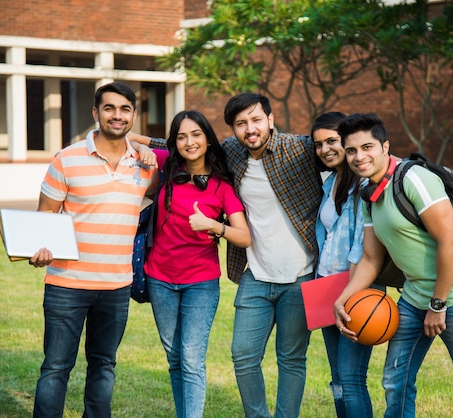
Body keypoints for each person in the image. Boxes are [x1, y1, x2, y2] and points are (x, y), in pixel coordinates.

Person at [130, 93, 323, 417]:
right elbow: (181, 140)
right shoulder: (231, 152)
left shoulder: (298, 148)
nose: (250, 129)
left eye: (256, 120)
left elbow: (335, 148)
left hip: (301, 274)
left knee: (290, 358)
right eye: (241, 123)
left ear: (270, 120)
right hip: (253, 274)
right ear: (232, 129)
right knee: (240, 356)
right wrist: (143, 143)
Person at [333, 113, 453, 417]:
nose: (359, 157)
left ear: (385, 146)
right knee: (395, 382)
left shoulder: (413, 179)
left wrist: (437, 305)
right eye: (351, 150)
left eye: (367, 147)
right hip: (413, 299)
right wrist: (343, 298)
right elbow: (372, 258)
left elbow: (450, 241)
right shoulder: (368, 194)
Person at [28, 81, 159, 417]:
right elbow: (45, 217)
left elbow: (188, 147)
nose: (117, 115)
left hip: (116, 286)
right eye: (109, 108)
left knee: (104, 366)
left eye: (125, 109)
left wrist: (146, 147)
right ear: (96, 113)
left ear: (133, 115)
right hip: (66, 285)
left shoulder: (145, 165)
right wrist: (39, 249)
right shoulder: (66, 159)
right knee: (56, 367)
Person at [142, 110, 251, 418]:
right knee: (174, 357)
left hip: (200, 283)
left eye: (196, 134)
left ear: (207, 138)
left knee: (190, 357)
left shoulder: (221, 186)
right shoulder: (166, 168)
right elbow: (127, 140)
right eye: (181, 136)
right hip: (159, 278)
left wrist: (213, 226)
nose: (189, 142)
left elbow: (244, 236)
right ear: (173, 143)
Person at [311, 111, 377, 418]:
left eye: (332, 141)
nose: (325, 149)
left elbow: (361, 249)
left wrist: (345, 297)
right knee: (337, 379)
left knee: (351, 380)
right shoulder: (330, 183)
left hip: (356, 289)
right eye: (319, 144)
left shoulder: (365, 184)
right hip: (325, 287)